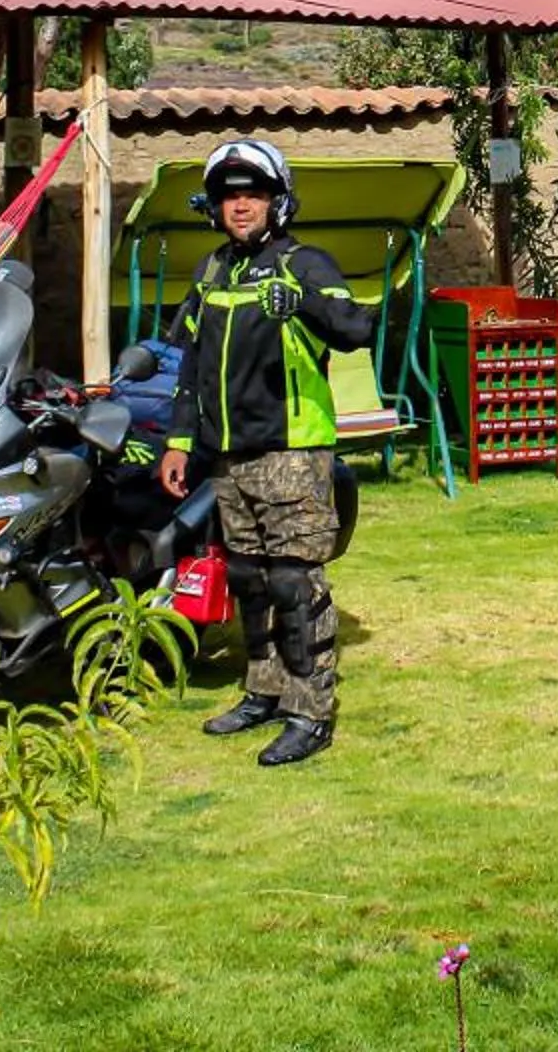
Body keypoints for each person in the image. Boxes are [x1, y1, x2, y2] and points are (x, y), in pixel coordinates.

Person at [155, 138, 377, 768]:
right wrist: (178, 442)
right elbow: (189, 365)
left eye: (253, 193)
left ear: (278, 200)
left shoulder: (303, 264)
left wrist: (300, 302)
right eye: (229, 195)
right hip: (228, 456)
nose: (241, 204)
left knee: (293, 582)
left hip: (292, 451)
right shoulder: (213, 272)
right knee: (249, 580)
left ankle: (310, 712)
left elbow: (357, 330)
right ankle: (265, 691)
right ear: (214, 206)